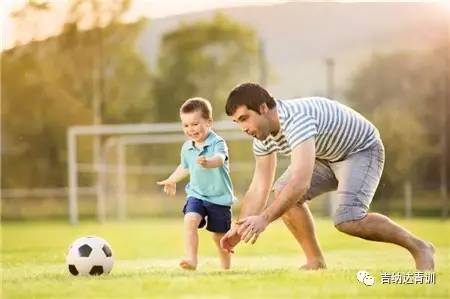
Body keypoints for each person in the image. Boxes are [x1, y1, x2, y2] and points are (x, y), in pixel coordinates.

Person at [219, 82, 435, 271]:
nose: (243, 128)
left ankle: (420, 247)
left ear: (263, 108)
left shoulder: (296, 121)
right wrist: (240, 227)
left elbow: (300, 184)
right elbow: (259, 186)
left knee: (348, 220)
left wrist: (265, 219)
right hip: (325, 156)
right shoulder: (261, 137)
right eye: (238, 122)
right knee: (281, 191)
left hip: (360, 150)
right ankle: (315, 262)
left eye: (244, 118)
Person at [157, 97, 235, 270]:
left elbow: (220, 159)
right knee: (190, 220)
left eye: (195, 124)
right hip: (197, 194)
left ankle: (226, 266)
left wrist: (209, 162)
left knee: (219, 236)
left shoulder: (217, 142)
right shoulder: (187, 147)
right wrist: (171, 179)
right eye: (186, 125)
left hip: (219, 198)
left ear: (209, 122)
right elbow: (185, 167)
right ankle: (191, 260)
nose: (190, 129)